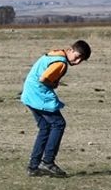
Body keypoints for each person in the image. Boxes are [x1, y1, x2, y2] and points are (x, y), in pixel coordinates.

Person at [21, 39, 92, 178]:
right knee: (58, 124)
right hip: (39, 95)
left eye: (81, 60)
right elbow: (43, 79)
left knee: (45, 127)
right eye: (77, 57)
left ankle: (33, 166)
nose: (77, 62)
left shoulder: (54, 54)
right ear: (70, 50)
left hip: (29, 94)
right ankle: (47, 162)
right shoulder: (61, 62)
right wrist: (53, 84)